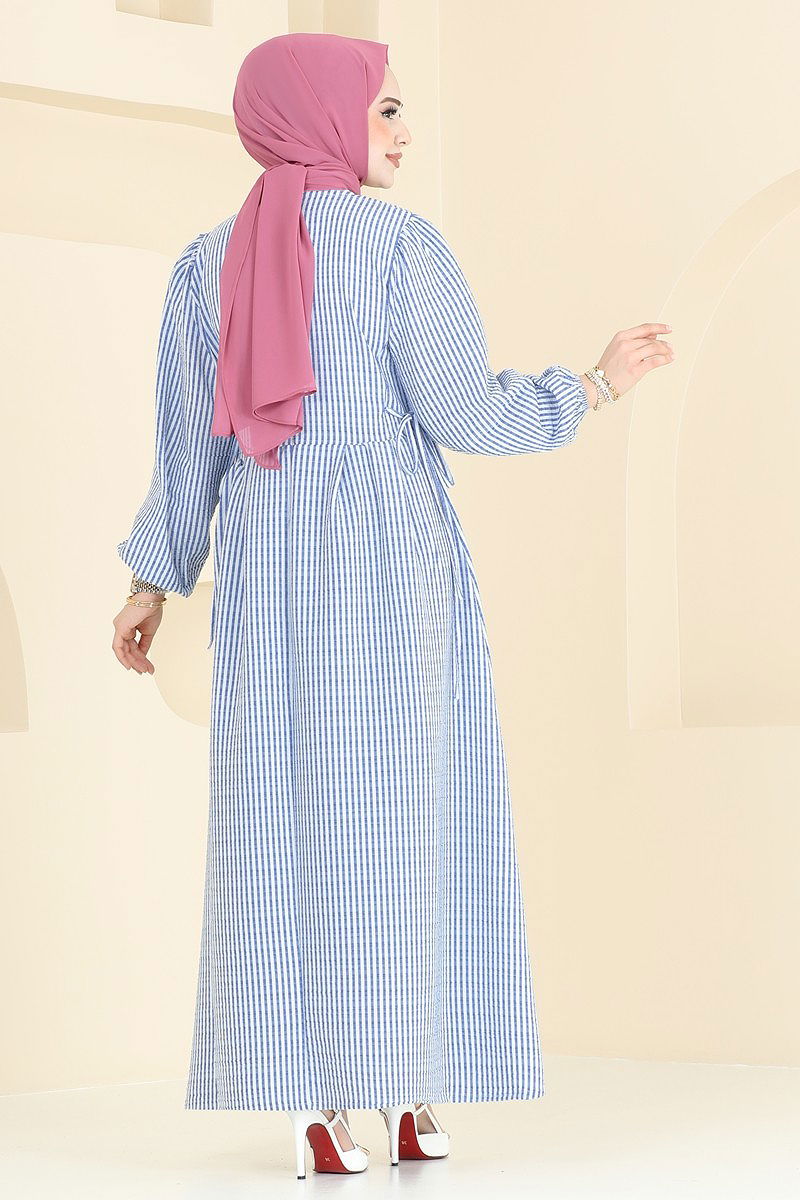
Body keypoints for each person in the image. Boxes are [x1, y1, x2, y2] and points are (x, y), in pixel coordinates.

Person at [111, 32, 674, 1179]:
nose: (405, 133)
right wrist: (593, 386)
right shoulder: (400, 247)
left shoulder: (206, 263)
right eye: (385, 111)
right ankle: (408, 1089)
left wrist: (149, 581)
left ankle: (326, 1105)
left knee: (288, 819)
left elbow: (187, 453)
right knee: (413, 815)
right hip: (391, 568)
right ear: (318, 116)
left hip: (268, 575)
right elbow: (465, 412)